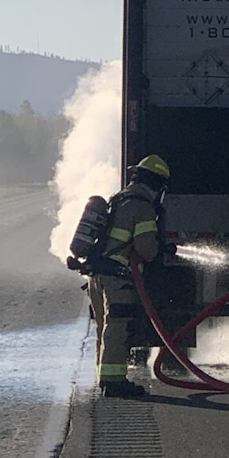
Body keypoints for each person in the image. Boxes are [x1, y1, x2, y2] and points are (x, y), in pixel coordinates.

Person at [89, 154, 170, 398]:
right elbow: (146, 248)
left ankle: (104, 377)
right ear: (156, 184)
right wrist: (159, 247)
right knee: (117, 327)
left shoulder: (119, 199)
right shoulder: (142, 207)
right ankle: (114, 383)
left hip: (97, 275)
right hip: (117, 277)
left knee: (104, 326)